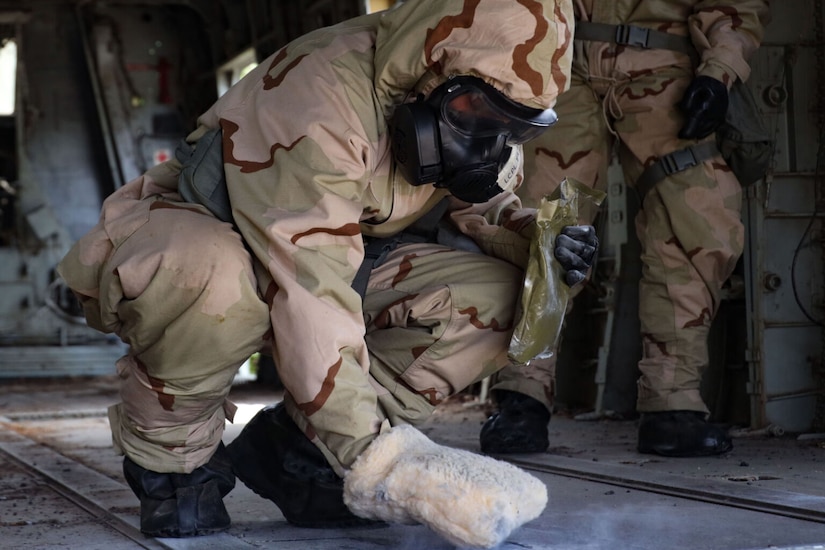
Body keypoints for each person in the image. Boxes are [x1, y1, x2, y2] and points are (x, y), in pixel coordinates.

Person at [57, 0, 597, 547]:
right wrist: (382, 460)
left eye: (514, 127)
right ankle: (174, 465)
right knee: (211, 276)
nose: (490, 142)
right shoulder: (320, 97)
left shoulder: (478, 106)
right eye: (477, 115)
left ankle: (297, 455)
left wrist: (538, 240)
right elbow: (310, 290)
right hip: (206, 248)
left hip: (341, 261)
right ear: (429, 70)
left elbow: (477, 203)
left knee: (507, 295)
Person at [479, 0, 771, 458]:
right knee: (547, 224)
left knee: (696, 220)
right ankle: (521, 398)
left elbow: (735, 7)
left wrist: (719, 74)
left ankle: (672, 406)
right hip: (561, 66)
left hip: (666, 73)